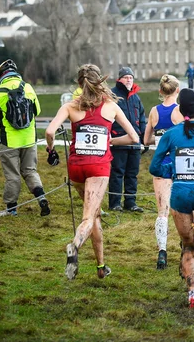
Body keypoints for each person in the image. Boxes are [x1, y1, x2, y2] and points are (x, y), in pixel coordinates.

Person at [45, 64, 139, 280]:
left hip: (76, 166)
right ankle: (74, 246)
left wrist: (51, 149)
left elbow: (50, 131)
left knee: (93, 214)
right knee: (89, 216)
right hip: (98, 167)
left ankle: (101, 266)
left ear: (79, 84)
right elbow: (134, 138)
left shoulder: (70, 106)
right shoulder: (111, 107)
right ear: (100, 82)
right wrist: (110, 140)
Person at [149, 88, 194, 308]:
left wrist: (173, 171)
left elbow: (155, 166)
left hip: (180, 193)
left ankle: (192, 293)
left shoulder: (172, 134)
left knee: (189, 245)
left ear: (180, 110)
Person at [0, 59, 50, 217]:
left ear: (1, 74)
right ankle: (41, 198)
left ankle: (12, 210)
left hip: (10, 141)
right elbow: (36, 111)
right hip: (30, 139)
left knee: (12, 175)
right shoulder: (28, 87)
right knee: (30, 171)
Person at [143, 74, 184, 269]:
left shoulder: (153, 112)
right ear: (177, 91)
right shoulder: (179, 112)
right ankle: (186, 244)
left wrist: (161, 140)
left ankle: (162, 252)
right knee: (183, 208)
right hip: (178, 164)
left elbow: (145, 140)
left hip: (160, 164)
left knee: (162, 211)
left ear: (160, 91)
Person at [108, 67, 147, 213]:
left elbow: (141, 119)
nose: (129, 80)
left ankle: (130, 202)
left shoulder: (136, 97)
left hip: (135, 144)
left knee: (132, 174)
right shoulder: (112, 95)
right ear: (119, 79)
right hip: (118, 141)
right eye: (126, 77)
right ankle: (115, 203)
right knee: (117, 173)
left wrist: (143, 138)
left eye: (131, 77)